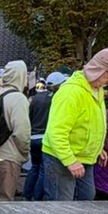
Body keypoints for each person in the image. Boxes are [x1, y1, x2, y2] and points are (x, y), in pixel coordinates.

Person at [42, 48, 108, 201]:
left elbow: (92, 123)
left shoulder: (96, 89)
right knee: (62, 206)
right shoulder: (70, 93)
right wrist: (70, 160)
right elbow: (56, 132)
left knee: (86, 198)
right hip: (61, 157)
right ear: (99, 70)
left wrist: (97, 148)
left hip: (82, 157)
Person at [0, 60, 31, 201]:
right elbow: (22, 132)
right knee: (5, 200)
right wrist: (24, 152)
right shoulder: (18, 98)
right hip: (9, 156)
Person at [23, 72, 66, 201]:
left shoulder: (37, 97)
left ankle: (27, 193)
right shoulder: (58, 99)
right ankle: (36, 197)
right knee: (43, 170)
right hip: (46, 138)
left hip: (33, 137)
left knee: (34, 167)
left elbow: (29, 116)